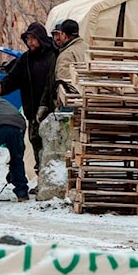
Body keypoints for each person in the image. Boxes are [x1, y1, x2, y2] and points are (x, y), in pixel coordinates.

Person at [0, 21, 57, 178]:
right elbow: (14, 78)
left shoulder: (53, 56)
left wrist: (47, 104)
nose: (30, 43)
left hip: (51, 111)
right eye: (28, 39)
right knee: (36, 143)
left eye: (33, 39)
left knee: (51, 146)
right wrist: (1, 88)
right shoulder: (26, 59)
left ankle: (49, 178)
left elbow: (52, 85)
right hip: (32, 110)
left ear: (41, 38)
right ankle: (40, 178)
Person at [36, 18, 88, 199]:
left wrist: (61, 106)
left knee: (65, 151)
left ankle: (63, 188)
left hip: (70, 109)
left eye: (59, 34)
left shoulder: (66, 54)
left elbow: (64, 85)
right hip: (87, 104)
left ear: (65, 34)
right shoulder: (84, 48)